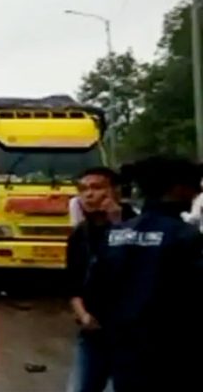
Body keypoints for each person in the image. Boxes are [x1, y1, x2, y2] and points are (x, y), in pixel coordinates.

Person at [83, 156, 203, 391]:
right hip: (176, 358)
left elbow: (93, 295)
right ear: (176, 189)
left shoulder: (115, 234)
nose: (197, 193)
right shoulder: (185, 236)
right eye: (194, 186)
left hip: (125, 357)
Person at [66, 167, 136, 392]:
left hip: (132, 335)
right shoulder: (80, 234)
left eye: (97, 188)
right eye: (83, 189)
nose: (88, 195)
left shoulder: (139, 226)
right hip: (93, 333)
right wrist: (83, 315)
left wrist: (117, 224)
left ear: (116, 191)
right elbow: (73, 283)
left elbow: (135, 269)